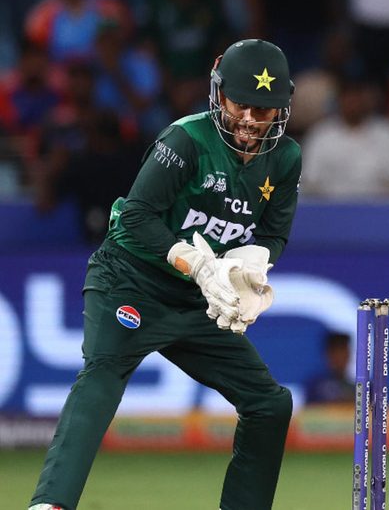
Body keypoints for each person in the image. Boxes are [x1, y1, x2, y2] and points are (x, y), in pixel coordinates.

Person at [29, 39, 302, 510]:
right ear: (219, 95)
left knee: (270, 404)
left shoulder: (285, 159)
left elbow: (274, 234)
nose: (249, 119)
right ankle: (50, 504)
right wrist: (196, 263)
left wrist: (250, 267)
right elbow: (136, 216)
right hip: (131, 279)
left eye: (263, 109)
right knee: (103, 373)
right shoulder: (186, 140)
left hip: (198, 301)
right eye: (240, 103)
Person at [305, 332, 355, 405]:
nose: (340, 357)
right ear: (328, 354)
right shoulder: (315, 386)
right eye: (336, 352)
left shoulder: (358, 386)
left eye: (344, 351)